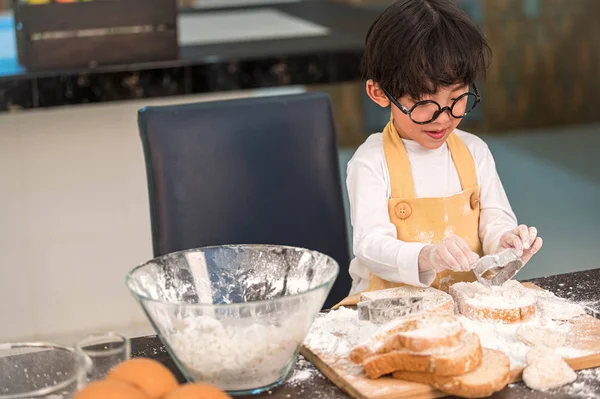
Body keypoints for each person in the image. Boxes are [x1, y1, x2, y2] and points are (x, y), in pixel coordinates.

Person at [338, 0, 543, 305]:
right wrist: (427, 256)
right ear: (379, 93)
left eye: (457, 98)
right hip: (386, 307)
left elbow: (494, 216)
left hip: (459, 305)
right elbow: (370, 245)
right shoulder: (370, 162)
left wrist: (504, 240)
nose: (443, 117)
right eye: (424, 103)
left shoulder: (475, 151)